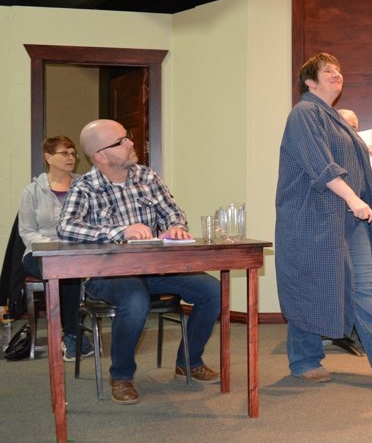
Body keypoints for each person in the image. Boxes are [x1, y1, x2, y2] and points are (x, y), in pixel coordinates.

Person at [275, 52, 372, 385]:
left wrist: (368, 161)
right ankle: (304, 359)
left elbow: (353, 168)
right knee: (309, 285)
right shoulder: (304, 113)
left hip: (348, 218)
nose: (336, 75)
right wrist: (353, 197)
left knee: (361, 287)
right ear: (310, 82)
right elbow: (319, 165)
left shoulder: (335, 118)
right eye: (328, 71)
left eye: (339, 71)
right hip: (312, 219)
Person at [57, 119, 221, 405]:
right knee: (134, 299)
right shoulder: (85, 187)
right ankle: (121, 375)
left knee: (212, 289)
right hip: (108, 274)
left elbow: (173, 211)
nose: (131, 143)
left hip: (155, 268)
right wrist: (118, 232)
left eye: (127, 137)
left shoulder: (147, 177)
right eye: (121, 141)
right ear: (100, 156)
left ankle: (189, 361)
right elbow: (66, 227)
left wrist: (175, 227)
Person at [18, 135, 93, 361]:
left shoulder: (85, 187)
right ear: (49, 157)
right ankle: (71, 333)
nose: (71, 157)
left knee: (67, 268)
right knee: (63, 270)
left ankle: (72, 332)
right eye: (65, 153)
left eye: (73, 153)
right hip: (38, 251)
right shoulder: (32, 191)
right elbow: (27, 231)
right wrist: (53, 247)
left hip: (75, 250)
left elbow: (94, 223)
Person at [337, 108, 372, 210]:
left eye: (352, 128)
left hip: (360, 214)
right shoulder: (325, 153)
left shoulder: (370, 157)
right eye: (343, 126)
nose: (348, 132)